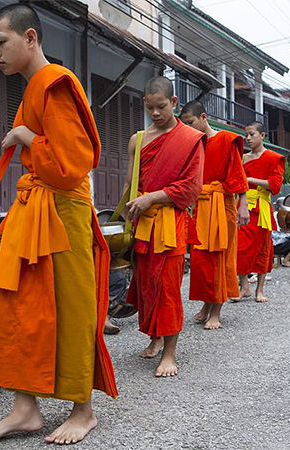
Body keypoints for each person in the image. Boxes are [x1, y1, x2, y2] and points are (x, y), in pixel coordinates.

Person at [0, 5, 117, 445]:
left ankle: (82, 410)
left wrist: (25, 137)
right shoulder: (34, 87)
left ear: (30, 38)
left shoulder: (55, 83)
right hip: (36, 212)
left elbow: (72, 165)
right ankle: (26, 407)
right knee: (17, 305)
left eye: (1, 41)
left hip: (63, 213)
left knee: (70, 306)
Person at [124, 76, 204, 377]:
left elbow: (191, 188)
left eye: (161, 107)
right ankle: (155, 337)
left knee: (168, 286)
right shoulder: (138, 139)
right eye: (149, 108)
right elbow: (132, 184)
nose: (155, 114)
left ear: (174, 103)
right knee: (146, 285)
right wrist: (124, 216)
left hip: (169, 222)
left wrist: (153, 198)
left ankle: (170, 353)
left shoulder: (189, 139)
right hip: (142, 222)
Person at [180, 100, 249, 330]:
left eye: (190, 123)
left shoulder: (226, 139)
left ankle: (216, 311)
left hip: (222, 204)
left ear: (203, 117)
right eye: (184, 124)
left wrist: (243, 204)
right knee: (201, 259)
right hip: (201, 205)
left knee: (220, 257)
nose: (187, 128)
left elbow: (238, 175)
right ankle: (206, 304)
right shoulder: (193, 144)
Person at [235, 121, 285, 302]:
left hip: (262, 206)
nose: (248, 138)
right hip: (243, 205)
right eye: (246, 135)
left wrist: (250, 179)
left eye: (252, 134)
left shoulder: (273, 158)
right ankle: (244, 287)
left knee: (263, 248)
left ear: (262, 135)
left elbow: (275, 186)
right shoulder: (243, 158)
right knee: (240, 248)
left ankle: (260, 289)